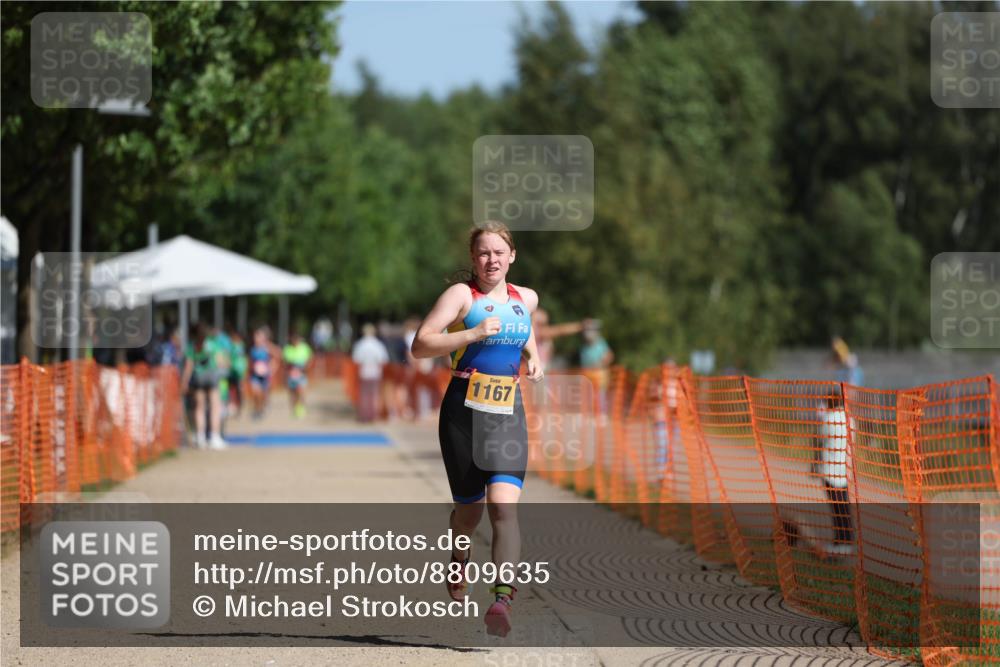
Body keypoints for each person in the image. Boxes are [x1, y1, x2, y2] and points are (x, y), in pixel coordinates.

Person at [411, 220, 543, 638]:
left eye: (499, 252)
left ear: (512, 256)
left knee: (504, 508)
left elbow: (524, 328)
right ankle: (459, 556)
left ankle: (502, 599)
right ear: (473, 257)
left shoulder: (526, 298)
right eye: (484, 252)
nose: (491, 260)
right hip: (463, 412)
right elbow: (420, 344)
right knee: (470, 513)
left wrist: (534, 356)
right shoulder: (461, 296)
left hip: (507, 412)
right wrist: (472, 332)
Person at [813, 392, 854, 557]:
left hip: (830, 471)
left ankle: (841, 542)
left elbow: (818, 440)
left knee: (836, 508)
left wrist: (814, 465)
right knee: (843, 507)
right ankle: (845, 541)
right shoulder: (849, 419)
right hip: (845, 471)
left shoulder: (828, 419)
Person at [181, 322, 228, 450]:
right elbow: (220, 362)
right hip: (212, 377)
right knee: (215, 407)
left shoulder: (191, 346)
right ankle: (214, 437)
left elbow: (188, 367)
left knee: (199, 408)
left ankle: (200, 437)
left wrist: (184, 382)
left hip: (198, 378)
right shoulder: (212, 344)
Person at [352, 323, 390, 422]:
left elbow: (356, 360)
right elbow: (383, 360)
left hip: (364, 372)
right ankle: (374, 415)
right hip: (375, 373)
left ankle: (364, 415)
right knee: (375, 395)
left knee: (364, 395)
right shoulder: (378, 344)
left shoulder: (360, 344)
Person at [248, 326, 279, 419]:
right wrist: (251, 369)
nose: (256, 338)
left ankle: (261, 409)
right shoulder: (253, 349)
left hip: (265, 376)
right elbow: (251, 362)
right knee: (255, 393)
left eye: (258, 336)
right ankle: (257, 409)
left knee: (263, 394)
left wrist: (272, 367)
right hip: (255, 376)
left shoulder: (267, 347)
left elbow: (278, 355)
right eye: (255, 337)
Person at [283, 331, 313, 418]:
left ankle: (301, 408)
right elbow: (285, 362)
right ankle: (294, 409)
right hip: (291, 375)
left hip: (302, 375)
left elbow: (311, 358)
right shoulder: (287, 349)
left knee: (301, 392)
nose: (295, 341)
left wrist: (307, 367)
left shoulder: (305, 348)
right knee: (293, 393)